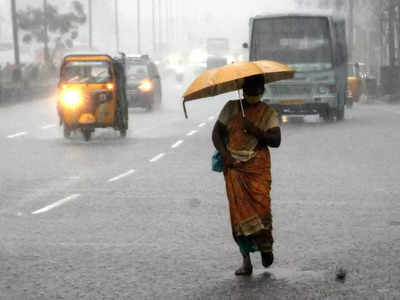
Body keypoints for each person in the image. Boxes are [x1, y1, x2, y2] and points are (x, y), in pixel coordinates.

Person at [212, 75, 281, 276]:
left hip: (258, 169)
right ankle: (246, 261)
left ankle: (266, 247)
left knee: (263, 209)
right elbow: (216, 134)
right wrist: (226, 156)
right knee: (239, 217)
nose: (252, 94)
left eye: (256, 90)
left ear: (261, 91)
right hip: (234, 168)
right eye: (249, 90)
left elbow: (276, 140)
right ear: (243, 90)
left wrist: (254, 130)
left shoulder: (267, 113)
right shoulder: (231, 108)